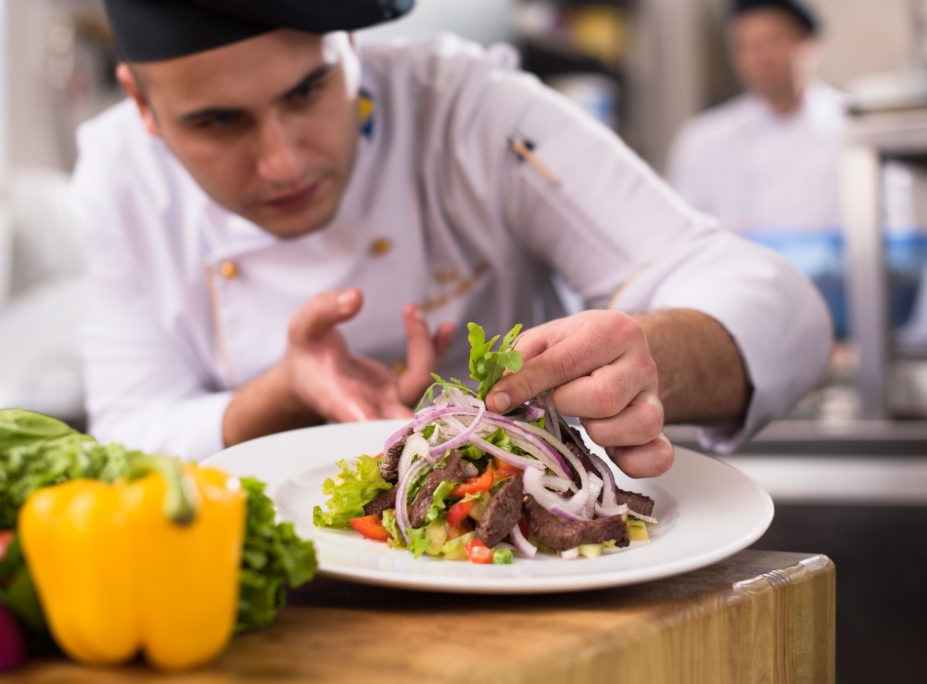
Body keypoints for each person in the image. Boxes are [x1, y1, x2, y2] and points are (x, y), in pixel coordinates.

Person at [76, 0, 831, 475]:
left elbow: (783, 310)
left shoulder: (467, 112)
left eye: (307, 90)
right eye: (217, 121)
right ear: (142, 102)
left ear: (349, 45)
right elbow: (125, 442)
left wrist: (644, 356)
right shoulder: (119, 175)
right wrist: (280, 395)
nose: (283, 161)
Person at [667, 0, 844, 233]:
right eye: (749, 46)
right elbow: (681, 232)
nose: (763, 58)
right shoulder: (704, 138)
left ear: (808, 44)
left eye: (775, 40)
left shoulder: (855, 127)